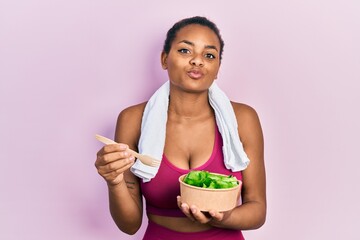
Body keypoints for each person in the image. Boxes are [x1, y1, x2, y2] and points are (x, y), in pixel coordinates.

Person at [95, 16, 266, 240]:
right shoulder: (133, 119)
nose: (197, 61)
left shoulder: (243, 118)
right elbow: (130, 225)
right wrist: (115, 181)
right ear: (165, 59)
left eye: (209, 55)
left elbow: (257, 209)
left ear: (217, 68)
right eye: (185, 51)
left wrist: (221, 217)